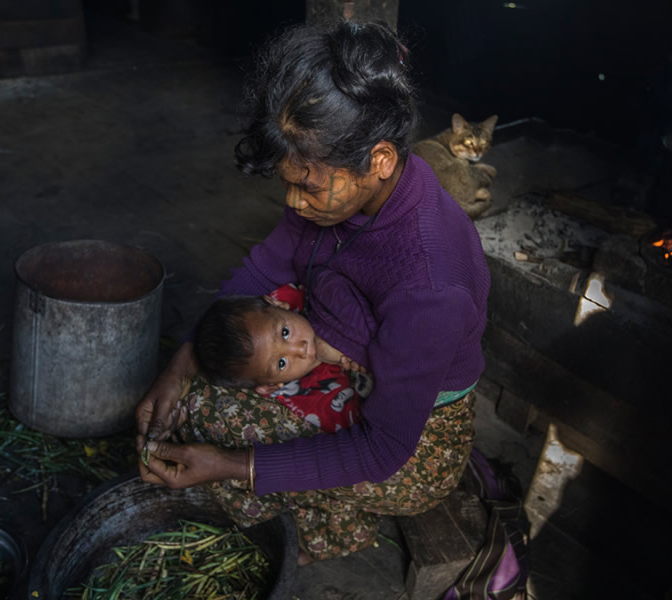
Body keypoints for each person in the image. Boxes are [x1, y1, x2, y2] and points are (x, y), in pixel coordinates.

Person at [136, 20, 491, 564]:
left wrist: (232, 464)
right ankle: (305, 497)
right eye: (287, 182)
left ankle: (320, 515)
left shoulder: (431, 285)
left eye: (307, 185)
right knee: (211, 369)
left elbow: (382, 450)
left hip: (413, 449)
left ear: (380, 161)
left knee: (213, 417)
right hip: (347, 367)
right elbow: (264, 265)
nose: (295, 204)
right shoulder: (349, 187)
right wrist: (180, 362)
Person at [192, 284, 368, 433]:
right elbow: (378, 414)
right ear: (270, 386)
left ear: (277, 304)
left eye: (285, 333)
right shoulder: (315, 401)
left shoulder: (315, 294)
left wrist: (339, 336)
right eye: (281, 364)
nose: (300, 348)